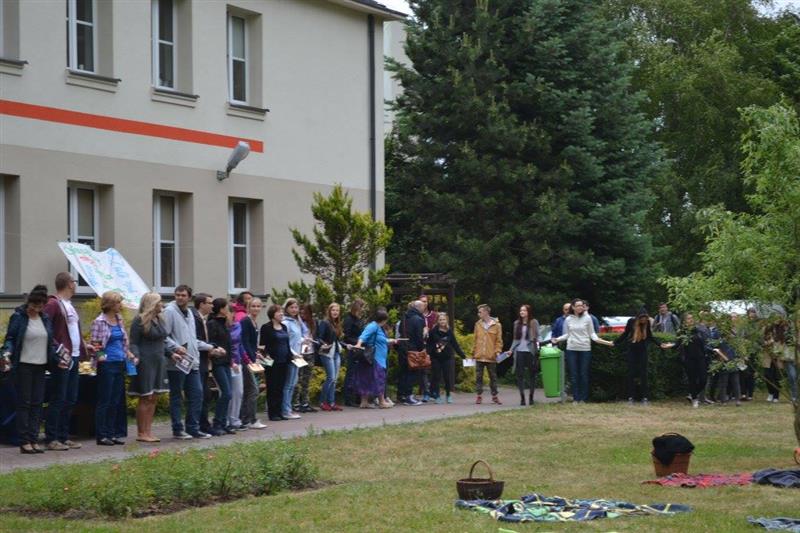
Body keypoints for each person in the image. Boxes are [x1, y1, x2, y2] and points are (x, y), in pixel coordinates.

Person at [1, 285, 58, 454]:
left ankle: (34, 438)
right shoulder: (18, 317)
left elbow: (50, 342)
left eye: (40, 306)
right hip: (24, 365)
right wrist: (7, 352)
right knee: (24, 403)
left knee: (37, 403)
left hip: (41, 365)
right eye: (34, 306)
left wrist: (58, 358)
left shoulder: (45, 319)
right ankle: (24, 440)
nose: (36, 309)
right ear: (29, 303)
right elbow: (10, 338)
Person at [163, 285, 220, 440]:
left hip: (192, 361)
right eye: (177, 295)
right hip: (177, 361)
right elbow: (164, 336)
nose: (180, 297)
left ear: (189, 297)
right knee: (177, 397)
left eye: (183, 295)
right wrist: (175, 347)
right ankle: (177, 429)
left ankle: (193, 428)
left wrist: (210, 347)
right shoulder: (169, 311)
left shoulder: (190, 313)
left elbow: (192, 339)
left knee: (197, 395)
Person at [43, 272, 90, 451]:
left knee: (70, 398)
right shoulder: (53, 303)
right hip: (62, 358)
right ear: (69, 284)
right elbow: (47, 330)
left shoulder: (69, 305)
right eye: (74, 281)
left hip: (74, 356)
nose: (75, 285)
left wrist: (84, 346)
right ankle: (52, 438)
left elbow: (73, 331)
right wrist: (57, 351)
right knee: (58, 398)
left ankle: (63, 436)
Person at [91, 291, 136, 446]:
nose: (120, 305)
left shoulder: (119, 319)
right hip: (107, 364)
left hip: (120, 362)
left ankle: (113, 433)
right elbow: (95, 343)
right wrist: (100, 355)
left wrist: (129, 354)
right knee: (105, 399)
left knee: (116, 400)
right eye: (117, 302)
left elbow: (123, 342)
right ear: (110, 304)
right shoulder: (99, 322)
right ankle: (101, 435)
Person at [551, 299, 614, 403]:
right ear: (573, 307)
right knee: (574, 375)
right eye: (578, 305)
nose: (580, 307)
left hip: (585, 349)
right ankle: (576, 398)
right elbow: (567, 334)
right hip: (571, 349)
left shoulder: (588, 318)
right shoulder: (568, 319)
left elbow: (593, 335)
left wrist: (607, 342)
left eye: (582, 305)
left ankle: (583, 399)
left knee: (583, 374)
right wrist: (557, 339)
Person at [127, 292, 170, 442]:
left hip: (159, 360)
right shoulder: (139, 320)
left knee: (154, 397)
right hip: (145, 361)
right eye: (159, 302)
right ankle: (141, 433)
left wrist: (172, 353)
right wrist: (136, 356)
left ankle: (148, 431)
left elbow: (162, 341)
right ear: (152, 304)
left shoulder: (160, 319)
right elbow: (133, 342)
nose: (162, 304)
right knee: (145, 397)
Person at [614, 307, 674, 405]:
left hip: (642, 351)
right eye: (642, 318)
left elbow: (650, 336)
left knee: (643, 374)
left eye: (645, 318)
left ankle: (645, 397)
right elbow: (625, 333)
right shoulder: (631, 322)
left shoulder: (647, 323)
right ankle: (631, 397)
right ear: (638, 317)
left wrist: (660, 344)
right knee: (631, 374)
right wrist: (615, 342)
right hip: (632, 351)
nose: (644, 320)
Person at [353, 308, 396, 409]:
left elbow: (379, 339)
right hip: (375, 358)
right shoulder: (373, 326)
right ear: (383, 319)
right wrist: (358, 344)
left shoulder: (378, 327)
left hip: (376, 358)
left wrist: (389, 340)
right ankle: (382, 402)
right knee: (379, 378)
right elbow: (363, 336)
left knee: (367, 379)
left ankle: (364, 402)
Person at [206, 298, 235, 435]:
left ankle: (223, 422)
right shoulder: (212, 324)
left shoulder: (224, 324)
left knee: (229, 394)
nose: (228, 310)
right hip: (218, 362)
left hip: (226, 362)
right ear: (221, 309)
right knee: (226, 393)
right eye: (227, 308)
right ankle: (217, 422)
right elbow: (211, 342)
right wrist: (216, 352)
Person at [239, 297, 267, 429]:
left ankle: (245, 418)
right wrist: (250, 358)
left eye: (258, 306)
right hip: (246, 361)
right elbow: (244, 342)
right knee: (253, 390)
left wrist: (257, 353)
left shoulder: (255, 323)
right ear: (248, 308)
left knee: (249, 390)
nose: (256, 308)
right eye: (253, 306)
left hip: (252, 359)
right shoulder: (246, 321)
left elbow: (252, 343)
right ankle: (250, 419)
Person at [260, 304, 291, 421]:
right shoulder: (266, 327)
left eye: (282, 312)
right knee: (272, 386)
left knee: (280, 387)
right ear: (272, 314)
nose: (281, 314)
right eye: (279, 312)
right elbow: (263, 345)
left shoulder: (284, 327)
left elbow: (287, 343)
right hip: (272, 361)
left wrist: (291, 356)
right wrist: (266, 358)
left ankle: (279, 411)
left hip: (284, 361)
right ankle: (272, 413)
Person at [426, 312, 464, 404]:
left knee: (447, 377)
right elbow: (429, 344)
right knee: (436, 377)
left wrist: (462, 355)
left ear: (446, 320)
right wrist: (429, 353)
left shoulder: (449, 331)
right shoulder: (433, 331)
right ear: (437, 321)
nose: (442, 321)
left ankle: (448, 395)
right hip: (436, 357)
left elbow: (455, 344)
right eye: (440, 320)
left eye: (443, 319)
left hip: (447, 357)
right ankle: (437, 396)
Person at [191, 293, 214, 434]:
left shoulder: (204, 319)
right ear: (201, 304)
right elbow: (196, 340)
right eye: (209, 303)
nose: (212, 306)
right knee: (200, 394)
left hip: (205, 361)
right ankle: (199, 424)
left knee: (206, 394)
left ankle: (204, 424)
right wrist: (211, 347)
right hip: (198, 360)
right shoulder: (195, 319)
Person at [472, 304, 504, 405]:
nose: (478, 314)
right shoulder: (478, 324)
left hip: (491, 356)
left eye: (480, 312)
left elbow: (499, 341)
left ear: (486, 312)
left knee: (493, 377)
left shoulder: (497, 325)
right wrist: (473, 352)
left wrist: (497, 351)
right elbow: (475, 339)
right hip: (479, 355)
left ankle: (494, 396)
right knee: (478, 377)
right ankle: (479, 396)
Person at [281, 298, 307, 420]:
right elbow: (286, 341)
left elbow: (297, 338)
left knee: (293, 383)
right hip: (291, 357)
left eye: (296, 307)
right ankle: (286, 410)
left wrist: (303, 340)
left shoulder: (297, 321)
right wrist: (293, 353)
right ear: (286, 308)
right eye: (291, 307)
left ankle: (288, 408)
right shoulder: (286, 323)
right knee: (288, 384)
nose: (294, 310)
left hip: (298, 356)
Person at [509, 304, 539, 406]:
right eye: (521, 310)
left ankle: (531, 397)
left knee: (532, 375)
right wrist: (511, 350)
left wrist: (538, 347)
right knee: (520, 375)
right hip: (519, 351)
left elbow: (538, 336)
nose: (522, 312)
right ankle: (522, 397)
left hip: (530, 351)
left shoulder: (534, 322)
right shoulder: (516, 323)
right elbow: (515, 339)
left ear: (528, 312)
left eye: (524, 310)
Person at [398, 300, 426, 406]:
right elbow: (419, 337)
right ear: (419, 307)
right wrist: (421, 349)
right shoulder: (418, 319)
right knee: (412, 372)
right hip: (413, 349)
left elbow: (400, 331)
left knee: (403, 372)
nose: (424, 308)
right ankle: (408, 396)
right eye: (423, 306)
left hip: (402, 347)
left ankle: (401, 395)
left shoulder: (404, 318)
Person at [679, 313, 709, 408]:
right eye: (688, 318)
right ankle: (695, 399)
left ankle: (692, 394)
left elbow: (704, 344)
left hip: (700, 358)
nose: (691, 320)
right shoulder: (682, 332)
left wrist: (711, 350)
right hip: (689, 359)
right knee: (692, 379)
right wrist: (670, 345)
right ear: (684, 322)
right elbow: (678, 343)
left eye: (692, 318)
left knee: (703, 379)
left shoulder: (698, 330)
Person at [764, 320, 798, 403]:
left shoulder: (789, 332)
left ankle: (780, 396)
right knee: (791, 377)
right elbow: (763, 341)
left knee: (781, 377)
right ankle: (793, 397)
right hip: (782, 358)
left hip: (788, 357)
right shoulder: (769, 330)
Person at [318, 302, 344, 411]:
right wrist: (323, 343)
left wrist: (346, 345)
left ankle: (331, 402)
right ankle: (322, 402)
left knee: (334, 379)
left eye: (337, 310)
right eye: (333, 310)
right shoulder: (325, 323)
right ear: (329, 311)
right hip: (327, 352)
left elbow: (337, 340)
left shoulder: (336, 324)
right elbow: (319, 337)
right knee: (331, 377)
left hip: (336, 352)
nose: (335, 312)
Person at [294, 303, 318, 413]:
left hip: (310, 352)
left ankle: (305, 402)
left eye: (305, 312)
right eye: (301, 312)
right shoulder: (297, 323)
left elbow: (315, 336)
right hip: (300, 353)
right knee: (298, 378)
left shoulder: (312, 323)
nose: (302, 314)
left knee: (307, 379)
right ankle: (296, 403)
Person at [226, 302, 247, 431]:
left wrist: (246, 358)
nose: (231, 314)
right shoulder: (223, 327)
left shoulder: (238, 325)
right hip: (227, 362)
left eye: (232, 312)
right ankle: (226, 420)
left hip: (237, 362)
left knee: (239, 392)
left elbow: (240, 344)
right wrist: (230, 361)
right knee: (227, 392)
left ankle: (234, 419)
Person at [342, 299, 365, 407]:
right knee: (351, 374)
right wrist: (358, 342)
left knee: (358, 374)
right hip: (353, 348)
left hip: (359, 348)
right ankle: (348, 398)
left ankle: (357, 397)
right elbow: (347, 337)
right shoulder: (349, 320)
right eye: (362, 308)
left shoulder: (358, 319)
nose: (363, 310)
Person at [418, 294, 438, 402]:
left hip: (433, 345)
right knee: (424, 370)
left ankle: (433, 390)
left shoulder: (434, 315)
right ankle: (426, 392)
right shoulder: (417, 315)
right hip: (422, 345)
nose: (423, 303)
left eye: (425, 301)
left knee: (434, 369)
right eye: (421, 301)